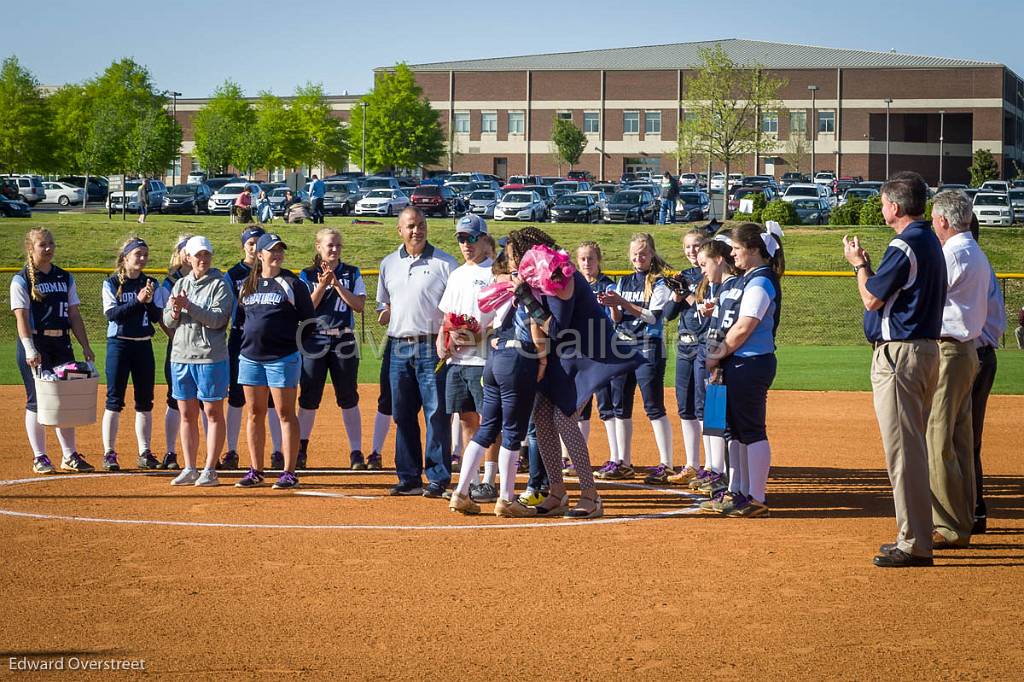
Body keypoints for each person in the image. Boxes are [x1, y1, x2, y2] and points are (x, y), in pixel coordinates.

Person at [842, 171, 946, 568]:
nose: (883, 208)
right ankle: (917, 533)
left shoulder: (905, 244)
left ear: (896, 207)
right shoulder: (929, 241)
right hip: (922, 351)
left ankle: (915, 541)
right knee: (912, 448)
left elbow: (871, 299)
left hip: (901, 355)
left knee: (904, 453)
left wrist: (857, 265)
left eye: (885, 202)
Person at [527, 228, 642, 518]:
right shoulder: (537, 277)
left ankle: (591, 495)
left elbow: (558, 327)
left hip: (588, 358)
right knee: (541, 416)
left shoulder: (560, 275)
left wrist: (527, 301)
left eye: (518, 254)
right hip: (562, 358)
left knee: (564, 419)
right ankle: (557, 491)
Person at [376, 207, 457, 497]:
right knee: (402, 413)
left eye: (421, 225)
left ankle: (437, 477)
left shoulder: (445, 263)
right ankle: (409, 477)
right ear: (400, 230)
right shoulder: (388, 264)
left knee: (437, 413)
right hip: (398, 345)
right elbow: (382, 304)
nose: (416, 230)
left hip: (432, 345)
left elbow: (455, 308)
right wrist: (384, 314)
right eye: (410, 226)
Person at [927, 190, 992, 549]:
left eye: (935, 219)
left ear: (943, 221)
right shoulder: (975, 252)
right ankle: (963, 517)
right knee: (960, 440)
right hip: (968, 349)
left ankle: (948, 525)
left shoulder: (951, 254)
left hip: (950, 350)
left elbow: (928, 299)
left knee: (939, 439)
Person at [705, 222, 784, 518]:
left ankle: (756, 497)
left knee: (750, 430)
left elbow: (744, 327)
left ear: (753, 250)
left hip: (750, 361)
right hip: (736, 362)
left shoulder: (761, 281)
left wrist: (716, 355)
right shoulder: (748, 279)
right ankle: (736, 491)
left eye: (737, 249)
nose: (732, 254)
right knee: (734, 432)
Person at [12, 228, 96, 474]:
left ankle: (69, 455)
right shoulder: (22, 279)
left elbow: (74, 314)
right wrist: (29, 349)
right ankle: (40, 456)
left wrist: (85, 345)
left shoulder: (64, 277)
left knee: (66, 400)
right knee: (37, 401)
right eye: (42, 245)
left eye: (50, 244)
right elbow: (22, 317)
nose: (48, 248)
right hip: (36, 344)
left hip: (62, 344)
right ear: (31, 248)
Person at [235, 233, 315, 489]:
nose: (277, 254)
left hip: (282, 358)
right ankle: (255, 470)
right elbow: (240, 320)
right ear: (260, 254)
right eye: (272, 250)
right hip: (250, 357)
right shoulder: (248, 283)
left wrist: (291, 344)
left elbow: (308, 321)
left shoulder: (292, 283)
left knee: (284, 413)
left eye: (280, 249)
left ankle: (289, 472)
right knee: (255, 413)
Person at [598, 233, 674, 483]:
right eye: (634, 254)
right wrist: (612, 305)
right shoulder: (623, 281)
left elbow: (653, 317)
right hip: (622, 346)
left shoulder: (660, 282)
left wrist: (622, 303)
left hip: (648, 346)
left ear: (652, 254)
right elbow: (617, 319)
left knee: (653, 405)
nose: (638, 258)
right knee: (620, 405)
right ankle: (623, 461)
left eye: (643, 253)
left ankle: (667, 463)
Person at [437, 215, 501, 502]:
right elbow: (446, 316)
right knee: (465, 419)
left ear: (486, 239)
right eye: (462, 239)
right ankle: (471, 479)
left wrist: (478, 338)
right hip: (457, 361)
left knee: (488, 421)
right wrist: (442, 339)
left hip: (483, 359)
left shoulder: (494, 274)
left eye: (472, 238)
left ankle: (489, 479)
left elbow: (500, 320)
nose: (466, 244)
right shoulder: (457, 274)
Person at [162, 236, 233, 487]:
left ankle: (210, 469)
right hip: (181, 356)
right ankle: (190, 467)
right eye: (198, 255)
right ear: (188, 258)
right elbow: (168, 322)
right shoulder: (180, 283)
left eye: (206, 255)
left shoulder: (220, 284)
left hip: (210, 357)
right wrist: (174, 310)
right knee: (186, 414)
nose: (202, 259)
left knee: (213, 412)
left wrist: (188, 306)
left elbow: (217, 320)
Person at [298, 228, 366, 470]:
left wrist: (336, 284)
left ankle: (356, 452)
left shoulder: (351, 272)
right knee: (308, 398)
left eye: (338, 245)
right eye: (329, 245)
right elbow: (307, 307)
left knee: (348, 397)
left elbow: (358, 305)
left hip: (343, 340)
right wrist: (322, 285)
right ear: (319, 247)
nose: (334, 249)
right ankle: (301, 449)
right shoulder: (307, 275)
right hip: (314, 340)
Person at [221, 227, 286, 470]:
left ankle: (278, 451)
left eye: (258, 242)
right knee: (237, 398)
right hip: (240, 339)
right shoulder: (234, 274)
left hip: (271, 342)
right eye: (249, 242)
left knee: (271, 399)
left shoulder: (275, 274)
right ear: (244, 246)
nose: (253, 245)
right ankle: (231, 451)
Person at [100, 237, 162, 471]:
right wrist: (138, 301)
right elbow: (112, 314)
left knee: (145, 401)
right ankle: (109, 453)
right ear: (125, 257)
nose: (143, 258)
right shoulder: (112, 282)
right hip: (119, 345)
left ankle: (144, 451)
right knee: (114, 400)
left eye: (145, 254)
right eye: (138, 254)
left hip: (143, 345)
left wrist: (147, 301)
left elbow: (156, 317)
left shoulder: (150, 282)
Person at [693, 234, 742, 504]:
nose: (702, 271)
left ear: (719, 260)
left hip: (721, 362)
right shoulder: (723, 289)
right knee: (713, 421)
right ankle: (718, 475)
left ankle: (726, 482)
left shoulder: (732, 286)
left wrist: (714, 357)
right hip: (713, 359)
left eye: (705, 264)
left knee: (722, 424)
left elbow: (729, 329)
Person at [967, 215, 1006, 535]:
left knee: (953, 439)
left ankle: (968, 511)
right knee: (968, 440)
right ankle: (976, 510)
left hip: (971, 356)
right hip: (984, 355)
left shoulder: (966, 264)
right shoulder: (983, 264)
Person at [663, 229, 711, 485]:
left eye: (697, 245)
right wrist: (676, 294)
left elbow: (708, 312)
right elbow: (668, 314)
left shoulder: (714, 275)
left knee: (707, 408)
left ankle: (714, 466)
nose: (692, 251)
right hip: (685, 346)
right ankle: (693, 464)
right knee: (686, 407)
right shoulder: (685, 275)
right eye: (688, 247)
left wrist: (689, 294)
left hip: (708, 346)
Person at [570, 241, 618, 476]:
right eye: (583, 259)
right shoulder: (574, 285)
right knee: (580, 406)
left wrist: (611, 305)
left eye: (591, 259)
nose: (587, 263)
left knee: (606, 404)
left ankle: (616, 457)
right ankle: (577, 457)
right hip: (579, 352)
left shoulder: (607, 285)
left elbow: (616, 318)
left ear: (599, 261)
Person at [154, 234, 193, 470]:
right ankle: (170, 452)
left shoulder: (210, 278)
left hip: (204, 348)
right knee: (175, 400)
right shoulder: (169, 282)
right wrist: (177, 339)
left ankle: (213, 454)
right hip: (178, 347)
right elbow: (163, 319)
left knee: (207, 402)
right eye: (187, 249)